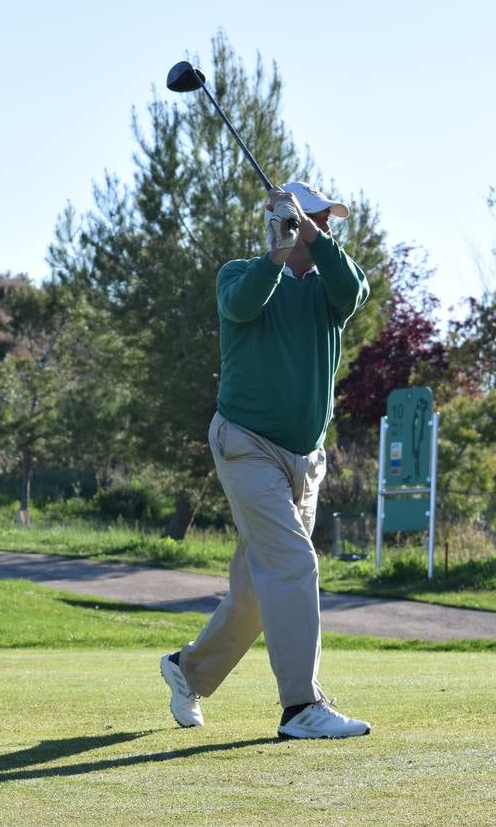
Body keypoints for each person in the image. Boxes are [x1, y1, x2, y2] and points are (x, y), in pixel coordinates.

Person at [159, 180, 372, 740]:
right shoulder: (240, 273)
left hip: (307, 459)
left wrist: (313, 238)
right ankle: (300, 706)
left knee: (259, 593)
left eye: (325, 220)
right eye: (316, 219)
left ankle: (189, 670)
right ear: (281, 220)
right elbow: (241, 303)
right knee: (294, 565)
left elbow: (354, 292)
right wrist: (277, 251)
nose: (324, 228)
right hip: (244, 443)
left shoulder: (332, 285)